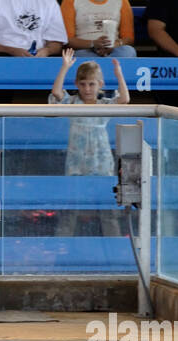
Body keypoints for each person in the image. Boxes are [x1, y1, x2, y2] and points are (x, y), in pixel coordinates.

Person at [49, 49, 130, 237]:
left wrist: (119, 74)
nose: (87, 89)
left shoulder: (104, 105)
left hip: (100, 162)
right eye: (83, 84)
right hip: (76, 162)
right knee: (71, 207)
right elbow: (56, 93)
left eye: (92, 84)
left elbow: (124, 99)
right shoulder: (72, 102)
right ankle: (63, 243)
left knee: (107, 209)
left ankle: (114, 245)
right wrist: (65, 67)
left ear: (100, 84)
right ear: (77, 84)